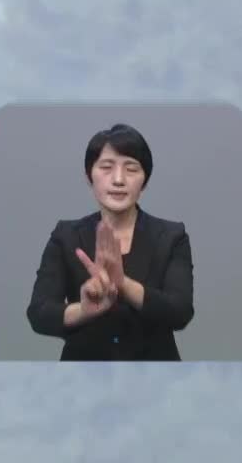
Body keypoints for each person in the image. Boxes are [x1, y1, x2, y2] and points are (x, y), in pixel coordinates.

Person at [25, 123, 195, 360]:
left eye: (131, 169)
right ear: (89, 176)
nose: (118, 179)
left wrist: (122, 284)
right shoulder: (66, 235)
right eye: (106, 167)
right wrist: (83, 311)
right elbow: (39, 314)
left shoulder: (172, 236)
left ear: (144, 181)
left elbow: (180, 312)